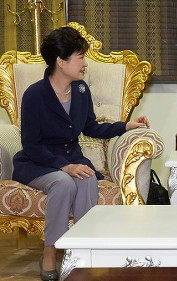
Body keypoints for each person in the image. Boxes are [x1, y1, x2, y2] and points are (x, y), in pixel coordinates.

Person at [12, 27, 150, 281]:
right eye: (80, 57)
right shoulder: (34, 95)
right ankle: (50, 253)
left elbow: (91, 127)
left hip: (71, 159)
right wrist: (64, 167)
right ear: (61, 62)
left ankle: (80, 252)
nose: (85, 63)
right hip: (38, 162)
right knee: (64, 184)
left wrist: (126, 126)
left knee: (86, 177)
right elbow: (31, 145)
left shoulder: (81, 90)